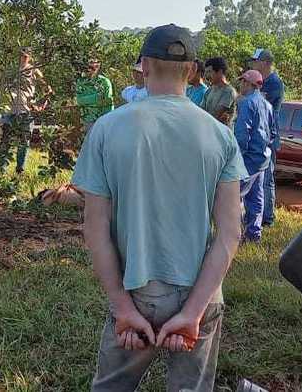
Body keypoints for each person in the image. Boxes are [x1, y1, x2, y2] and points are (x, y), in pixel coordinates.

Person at [73, 24, 244, 391]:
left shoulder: (106, 128)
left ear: (145, 66)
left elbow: (95, 229)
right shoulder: (220, 135)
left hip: (137, 290)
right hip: (201, 289)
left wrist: (122, 306)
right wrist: (193, 312)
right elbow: (230, 233)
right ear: (194, 71)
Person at [234, 69, 276, 243]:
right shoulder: (267, 105)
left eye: (242, 82)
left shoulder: (247, 103)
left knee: (234, 196)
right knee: (256, 197)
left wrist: (236, 155)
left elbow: (242, 133)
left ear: (249, 84)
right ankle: (253, 234)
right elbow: (273, 132)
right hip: (263, 158)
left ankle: (233, 234)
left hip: (248, 158)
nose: (240, 85)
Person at [250, 48, 285, 228]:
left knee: (267, 178)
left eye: (255, 61)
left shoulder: (274, 83)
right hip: (260, 134)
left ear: (264, 62)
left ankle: (267, 217)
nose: (253, 64)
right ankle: (260, 214)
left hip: (268, 136)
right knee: (259, 177)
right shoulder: (264, 82)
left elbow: (259, 103)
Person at [6, 50, 52, 174]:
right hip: (8, 110)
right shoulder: (11, 69)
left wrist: (41, 104)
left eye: (26, 55)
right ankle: (1, 170)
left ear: (30, 57)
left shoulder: (34, 70)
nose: (23, 57)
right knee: (4, 140)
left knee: (24, 141)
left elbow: (48, 89)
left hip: (26, 110)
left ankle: (20, 170)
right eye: (21, 55)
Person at [76, 56, 114, 137]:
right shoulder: (81, 82)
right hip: (87, 119)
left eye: (94, 67)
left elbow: (108, 101)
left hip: (103, 120)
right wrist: (97, 97)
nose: (90, 69)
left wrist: (108, 121)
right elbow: (79, 100)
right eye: (89, 67)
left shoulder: (104, 82)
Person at [200, 57, 238, 127]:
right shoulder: (209, 91)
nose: (206, 76)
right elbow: (201, 111)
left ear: (220, 72)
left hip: (222, 134)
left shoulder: (229, 91)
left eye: (209, 72)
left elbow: (216, 115)